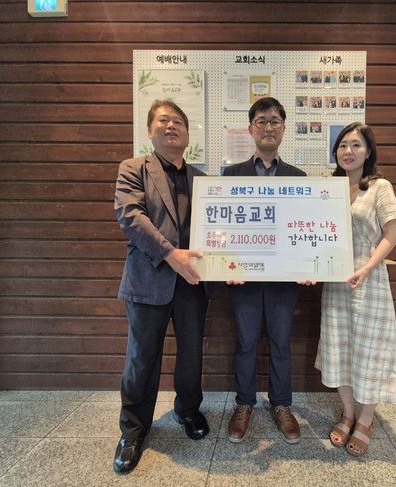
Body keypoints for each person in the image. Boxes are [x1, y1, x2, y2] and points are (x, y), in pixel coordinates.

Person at [112, 99, 210, 475]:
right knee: (142, 357)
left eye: (178, 122)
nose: (171, 126)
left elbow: (217, 230)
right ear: (150, 131)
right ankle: (133, 430)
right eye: (163, 121)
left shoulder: (203, 179)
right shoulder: (133, 168)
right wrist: (171, 255)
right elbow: (130, 217)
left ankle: (188, 410)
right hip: (148, 278)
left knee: (191, 354)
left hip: (193, 282)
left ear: (187, 134)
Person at [315, 122, 396, 457]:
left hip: (369, 279)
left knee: (370, 350)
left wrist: (367, 267)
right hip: (336, 281)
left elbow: (392, 234)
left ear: (368, 152)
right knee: (339, 347)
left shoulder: (380, 187)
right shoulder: (329, 188)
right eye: (342, 145)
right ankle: (348, 413)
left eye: (355, 145)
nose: (348, 151)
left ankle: (366, 420)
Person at [223, 97, 309, 444]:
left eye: (275, 121)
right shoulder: (231, 175)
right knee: (245, 343)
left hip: (283, 280)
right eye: (262, 121)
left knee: (280, 343)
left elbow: (304, 229)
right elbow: (223, 228)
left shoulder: (298, 178)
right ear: (251, 129)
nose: (268, 127)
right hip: (242, 277)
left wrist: (306, 264)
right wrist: (224, 264)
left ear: (284, 129)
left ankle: (281, 405)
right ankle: (244, 404)